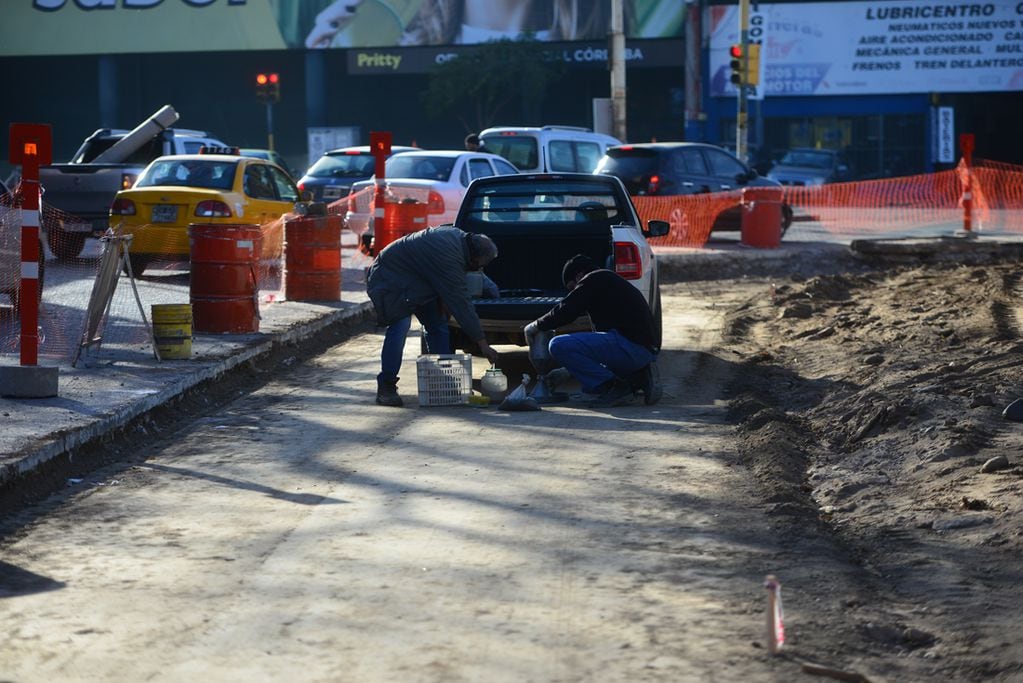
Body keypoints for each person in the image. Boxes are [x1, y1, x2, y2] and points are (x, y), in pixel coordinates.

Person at [367, 226, 500, 407]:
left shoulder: (461, 239)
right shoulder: (450, 256)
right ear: (475, 257)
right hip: (389, 277)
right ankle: (386, 385)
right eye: (479, 264)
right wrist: (483, 344)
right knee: (400, 326)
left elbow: (453, 284)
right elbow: (462, 305)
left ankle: (444, 381)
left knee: (438, 325)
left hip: (418, 281)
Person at [524, 254, 660, 408]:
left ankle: (616, 388)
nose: (574, 292)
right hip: (643, 350)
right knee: (595, 375)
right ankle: (640, 376)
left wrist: (537, 325)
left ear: (579, 275)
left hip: (630, 346)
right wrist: (567, 371)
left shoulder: (594, 278)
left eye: (572, 288)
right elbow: (599, 353)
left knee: (558, 345)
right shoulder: (608, 284)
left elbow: (566, 310)